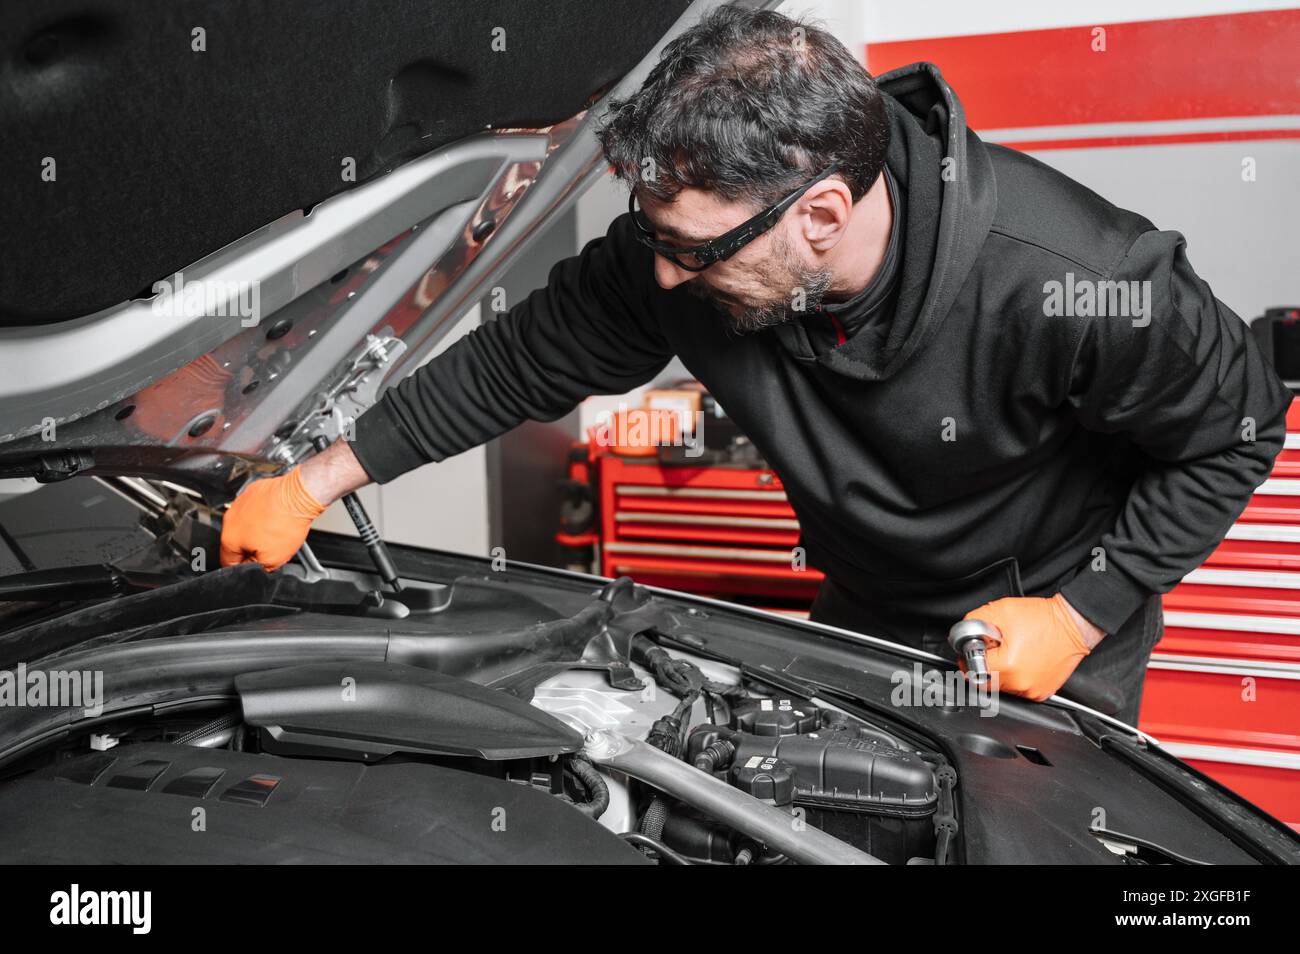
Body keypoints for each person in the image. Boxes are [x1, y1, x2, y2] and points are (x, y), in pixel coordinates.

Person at [219, 7, 1289, 725]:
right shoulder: (686, 248)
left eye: (693, 252)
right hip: (865, 599)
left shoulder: (1081, 278)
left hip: (1044, 614)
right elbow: (521, 360)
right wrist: (313, 481)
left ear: (820, 213)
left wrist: (1085, 612)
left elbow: (1233, 432)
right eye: (658, 244)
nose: (669, 280)